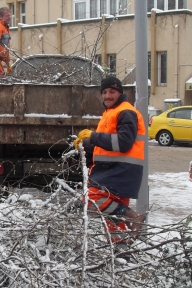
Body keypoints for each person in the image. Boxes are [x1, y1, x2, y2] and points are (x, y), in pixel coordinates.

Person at [74, 76, 146, 244]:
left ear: (120, 93)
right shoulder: (111, 112)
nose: (107, 96)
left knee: (90, 198)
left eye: (112, 92)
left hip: (121, 169)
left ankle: (131, 216)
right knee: (112, 219)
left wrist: (93, 136)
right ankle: (120, 252)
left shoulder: (125, 112)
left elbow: (123, 143)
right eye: (104, 92)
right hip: (116, 168)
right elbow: (105, 144)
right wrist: (86, 143)